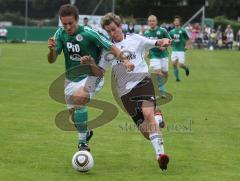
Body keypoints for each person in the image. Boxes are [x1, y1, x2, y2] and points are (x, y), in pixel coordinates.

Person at [47, 4, 134, 152]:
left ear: (77, 20)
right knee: (75, 117)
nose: (67, 27)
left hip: (93, 75)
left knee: (79, 98)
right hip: (71, 79)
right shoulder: (60, 34)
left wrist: (125, 60)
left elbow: (110, 46)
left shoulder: (89, 33)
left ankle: (82, 144)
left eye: (70, 23)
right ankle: (86, 132)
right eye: (64, 24)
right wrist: (52, 50)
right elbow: (52, 59)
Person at [99, 12, 171, 170]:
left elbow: (154, 42)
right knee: (146, 132)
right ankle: (158, 119)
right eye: (108, 31)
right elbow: (100, 70)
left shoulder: (135, 39)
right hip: (124, 93)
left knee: (148, 114)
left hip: (142, 81)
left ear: (120, 26)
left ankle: (160, 156)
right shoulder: (107, 49)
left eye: (114, 29)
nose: (112, 33)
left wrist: (163, 41)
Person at [144, 15, 171, 99]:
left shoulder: (162, 31)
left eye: (153, 21)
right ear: (148, 22)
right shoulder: (146, 33)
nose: (151, 22)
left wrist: (165, 46)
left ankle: (164, 80)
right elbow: (145, 44)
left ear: (156, 22)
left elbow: (170, 40)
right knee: (157, 72)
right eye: (150, 21)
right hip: (153, 55)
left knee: (165, 73)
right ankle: (161, 91)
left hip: (163, 55)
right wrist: (147, 52)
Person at [169, 16, 191, 82]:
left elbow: (188, 39)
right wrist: (170, 44)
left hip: (181, 50)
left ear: (179, 22)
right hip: (174, 50)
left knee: (180, 65)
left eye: (177, 21)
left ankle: (186, 68)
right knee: (174, 64)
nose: (176, 22)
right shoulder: (171, 32)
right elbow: (169, 40)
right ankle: (177, 78)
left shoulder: (183, 30)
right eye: (175, 21)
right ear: (174, 22)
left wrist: (187, 46)